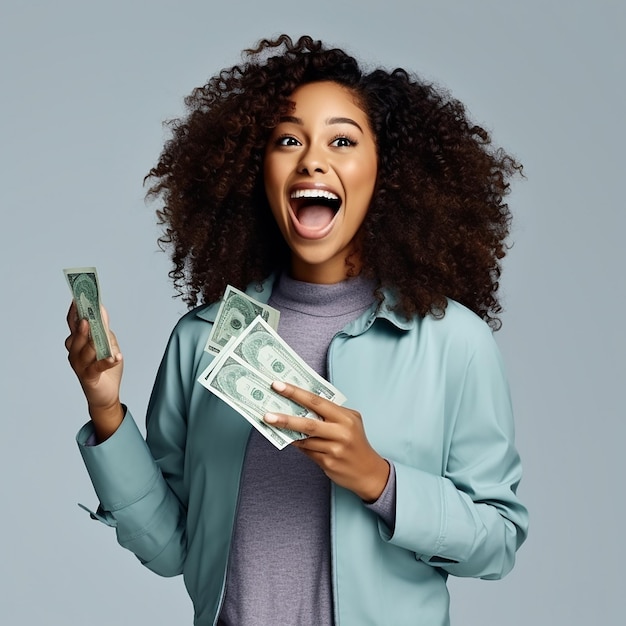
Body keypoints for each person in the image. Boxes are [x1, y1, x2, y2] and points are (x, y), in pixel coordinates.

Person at [65, 34, 529, 626]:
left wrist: (380, 481)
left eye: (342, 140)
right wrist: (106, 410)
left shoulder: (453, 344)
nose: (312, 159)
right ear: (257, 171)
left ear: (386, 173)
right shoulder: (203, 338)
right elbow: (171, 548)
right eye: (289, 140)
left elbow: (498, 541)